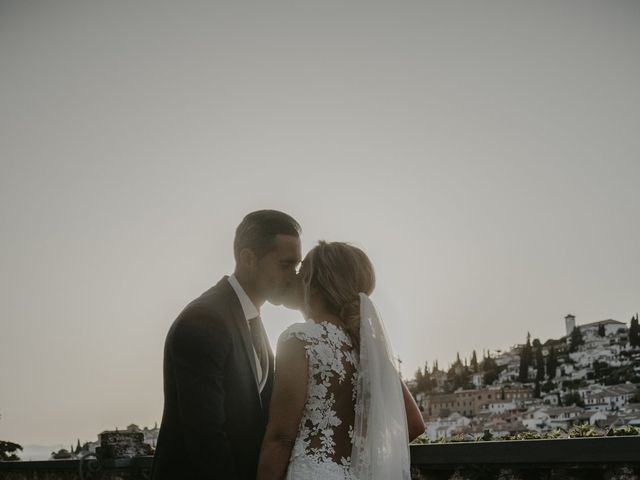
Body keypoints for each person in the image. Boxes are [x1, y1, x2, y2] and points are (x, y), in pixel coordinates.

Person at [151, 210, 302, 480]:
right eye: (285, 265)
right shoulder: (204, 320)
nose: (293, 276)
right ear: (248, 259)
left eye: (296, 266)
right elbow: (205, 436)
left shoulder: (252, 320)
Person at [257, 241, 425, 480]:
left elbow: (280, 438)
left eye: (301, 274)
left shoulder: (299, 339)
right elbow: (414, 423)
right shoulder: (364, 347)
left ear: (313, 285)